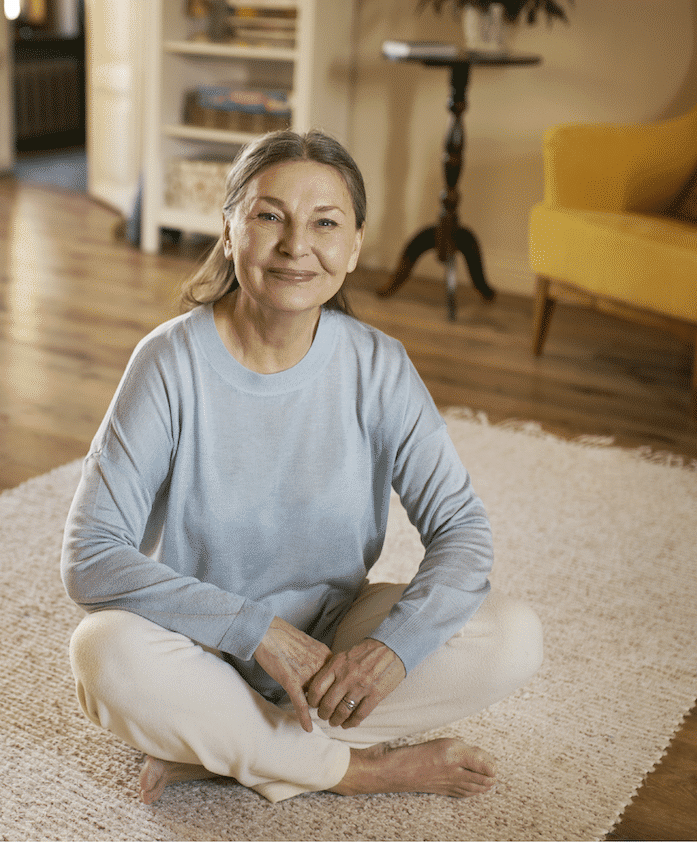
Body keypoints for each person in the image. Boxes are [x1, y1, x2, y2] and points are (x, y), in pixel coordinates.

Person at [61, 129, 543, 805]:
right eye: (268, 216)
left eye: (325, 223)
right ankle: (356, 770)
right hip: (205, 651)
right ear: (229, 231)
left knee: (512, 636)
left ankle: (235, 749)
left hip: (335, 649)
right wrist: (253, 630)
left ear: (354, 246)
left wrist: (391, 651)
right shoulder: (169, 362)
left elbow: (462, 529)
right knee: (103, 652)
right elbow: (89, 557)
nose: (296, 246)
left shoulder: (379, 367)